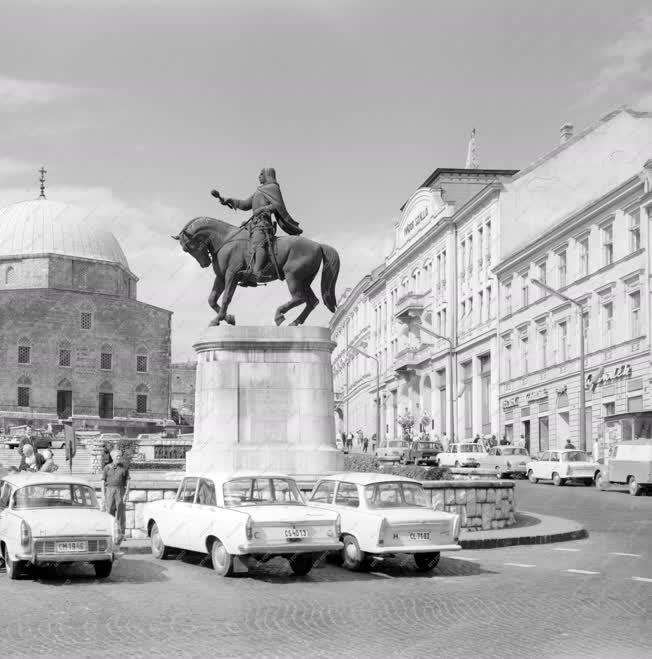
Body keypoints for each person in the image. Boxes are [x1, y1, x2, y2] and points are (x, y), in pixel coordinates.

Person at [214, 168, 302, 284]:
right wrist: (229, 200)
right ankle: (245, 266)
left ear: (267, 175)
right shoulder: (259, 191)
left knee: (258, 243)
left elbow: (277, 206)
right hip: (253, 224)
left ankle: (257, 272)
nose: (259, 176)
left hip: (263, 225)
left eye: (261, 174)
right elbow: (245, 204)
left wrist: (262, 209)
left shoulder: (273, 188)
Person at [101, 449, 130, 544]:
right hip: (109, 491)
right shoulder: (107, 468)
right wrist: (103, 495)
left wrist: (126, 494)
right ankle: (110, 533)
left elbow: (128, 481)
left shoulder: (124, 468)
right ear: (113, 457)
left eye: (119, 456)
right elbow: (102, 481)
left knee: (121, 514)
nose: (119, 458)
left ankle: (121, 534)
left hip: (120, 490)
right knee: (109, 512)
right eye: (117, 456)